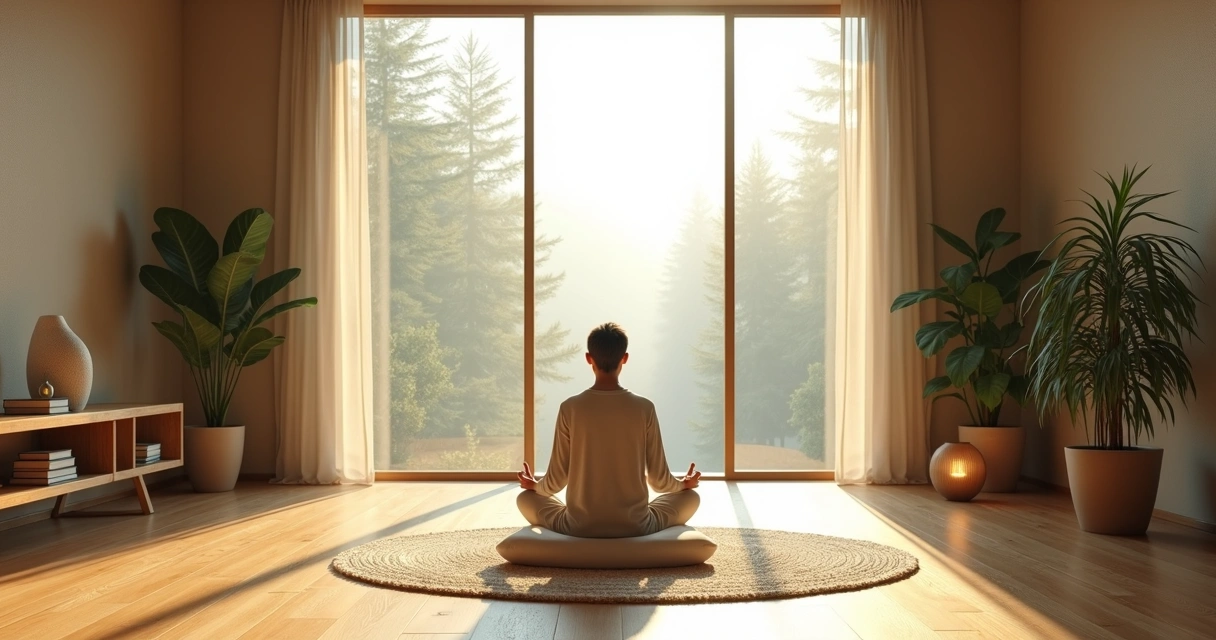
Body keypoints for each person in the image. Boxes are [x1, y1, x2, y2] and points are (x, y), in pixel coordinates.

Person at [516, 322, 702, 538]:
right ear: (625, 358)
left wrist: (535, 486)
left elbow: (556, 481)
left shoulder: (570, 407)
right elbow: (659, 482)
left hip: (578, 527)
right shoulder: (644, 408)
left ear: (588, 358)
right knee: (691, 497)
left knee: (525, 498)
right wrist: (683, 484)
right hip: (637, 525)